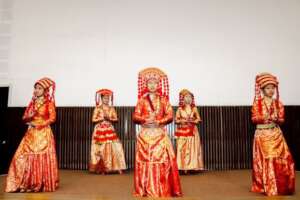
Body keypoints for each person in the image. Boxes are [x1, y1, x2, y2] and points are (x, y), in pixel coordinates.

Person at [133, 67, 182, 197]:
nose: (152, 85)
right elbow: (135, 116)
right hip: (146, 135)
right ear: (146, 85)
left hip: (159, 134)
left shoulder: (164, 100)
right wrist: (145, 119)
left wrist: (159, 122)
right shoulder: (142, 101)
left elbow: (170, 115)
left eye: (155, 83)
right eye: (150, 83)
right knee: (145, 161)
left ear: (158, 84)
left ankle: (162, 187)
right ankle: (145, 187)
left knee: (162, 160)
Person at [5, 77, 59, 192]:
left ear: (45, 91)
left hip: (43, 132)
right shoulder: (32, 102)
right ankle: (26, 183)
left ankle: (39, 184)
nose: (36, 90)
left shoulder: (49, 103)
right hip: (31, 133)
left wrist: (39, 124)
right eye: (36, 88)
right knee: (23, 155)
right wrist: (29, 116)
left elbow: (52, 118)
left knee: (38, 155)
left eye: (39, 88)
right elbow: (24, 117)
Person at [251, 73, 295, 196]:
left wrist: (277, 119)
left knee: (286, 158)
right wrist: (263, 117)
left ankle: (282, 186)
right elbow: (254, 119)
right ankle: (268, 186)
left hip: (276, 134)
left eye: (273, 88)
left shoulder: (278, 103)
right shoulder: (257, 103)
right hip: (263, 134)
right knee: (268, 159)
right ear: (262, 89)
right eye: (268, 88)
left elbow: (282, 120)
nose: (271, 91)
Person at [89, 89, 126, 174]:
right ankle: (103, 168)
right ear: (101, 99)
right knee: (101, 148)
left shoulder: (111, 108)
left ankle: (117, 167)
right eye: (105, 98)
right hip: (100, 129)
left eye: (108, 98)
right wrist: (102, 118)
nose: (106, 100)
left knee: (115, 146)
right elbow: (93, 119)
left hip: (109, 129)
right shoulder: (97, 108)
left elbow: (116, 118)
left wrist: (109, 118)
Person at [175, 89, 204, 174]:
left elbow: (198, 119)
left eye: (190, 97)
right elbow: (176, 120)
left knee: (193, 149)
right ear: (182, 99)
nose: (188, 99)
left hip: (193, 130)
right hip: (183, 130)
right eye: (186, 97)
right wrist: (181, 121)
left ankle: (193, 167)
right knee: (181, 148)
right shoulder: (180, 109)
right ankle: (181, 167)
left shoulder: (194, 108)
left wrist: (193, 121)